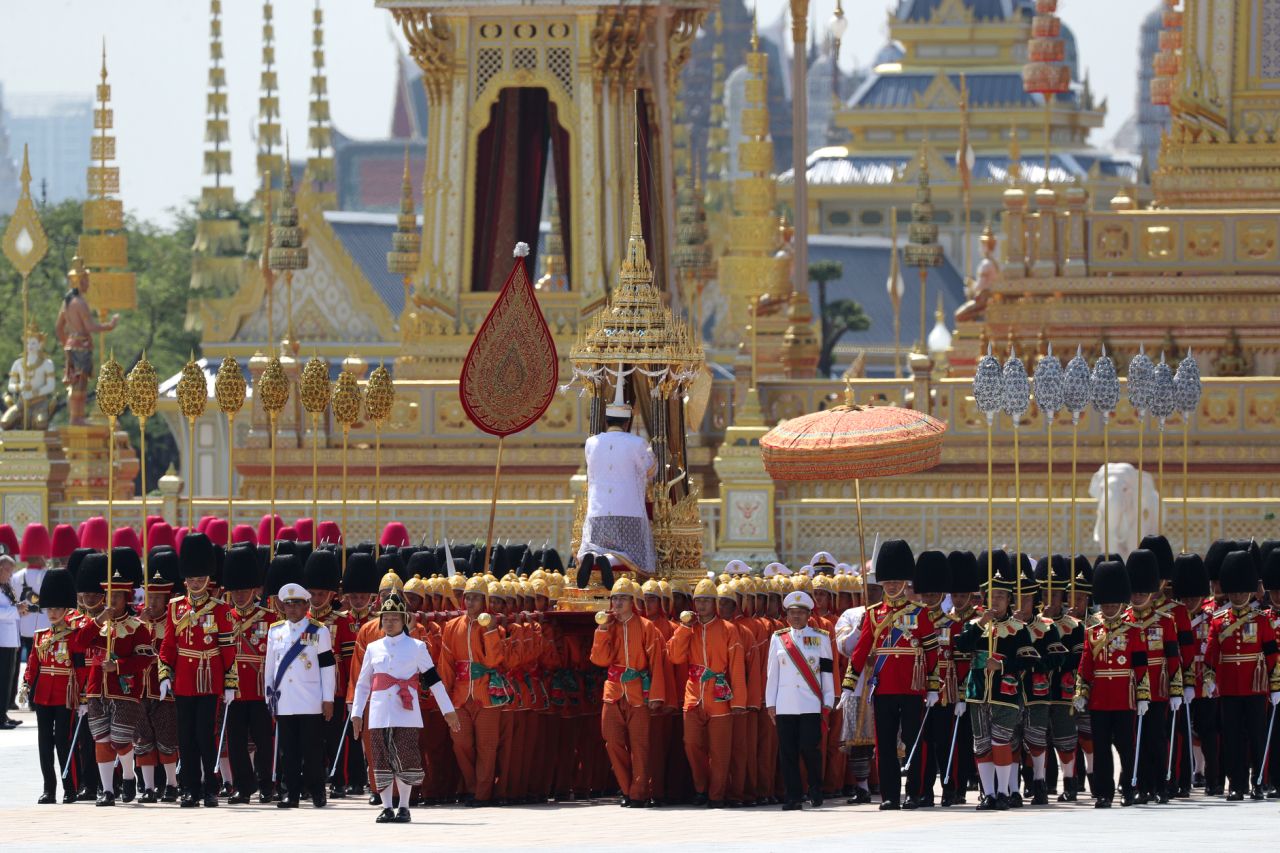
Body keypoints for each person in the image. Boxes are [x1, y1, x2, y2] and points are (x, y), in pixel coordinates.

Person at [846, 539, 940, 810]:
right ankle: (889, 794)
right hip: (884, 687)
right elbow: (861, 651)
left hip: (912, 687)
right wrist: (848, 685)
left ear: (904, 582)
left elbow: (932, 652)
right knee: (884, 745)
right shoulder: (874, 615)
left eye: (895, 581)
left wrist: (933, 687)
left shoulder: (920, 614)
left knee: (914, 743)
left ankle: (914, 792)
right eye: (886, 581)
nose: (890, 586)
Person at [351, 593, 461, 824]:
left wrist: (448, 710)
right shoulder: (373, 647)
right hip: (380, 712)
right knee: (380, 759)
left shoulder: (417, 647)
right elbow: (362, 683)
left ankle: (404, 806)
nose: (389, 622)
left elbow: (433, 680)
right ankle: (386, 806)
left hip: (406, 710)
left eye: (394, 618)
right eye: (386, 618)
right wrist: (357, 713)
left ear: (403, 620)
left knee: (406, 757)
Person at [157, 532, 238, 808]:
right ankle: (189, 788)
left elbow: (228, 648)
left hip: (209, 677)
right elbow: (168, 644)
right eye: (191, 578)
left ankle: (210, 787)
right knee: (185, 736)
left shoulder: (220, 609)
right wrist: (164, 673)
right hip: (183, 679)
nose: (195, 583)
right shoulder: (175, 608)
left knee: (205, 735)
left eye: (199, 578)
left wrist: (230, 681)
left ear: (208, 579)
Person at [953, 551, 1038, 811]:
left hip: (1006, 693)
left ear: (1009, 599)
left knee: (1001, 741)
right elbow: (962, 646)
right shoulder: (975, 625)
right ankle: (988, 793)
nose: (997, 600)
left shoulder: (1019, 628)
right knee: (981, 744)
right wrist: (982, 623)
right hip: (979, 692)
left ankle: (1003, 792)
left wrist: (1002, 665)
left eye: (1001, 596)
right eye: (993, 596)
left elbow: (1029, 660)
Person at [69, 552, 150, 806]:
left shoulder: (137, 627)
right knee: (101, 739)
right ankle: (107, 791)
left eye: (117, 596)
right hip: (96, 690)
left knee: (120, 739)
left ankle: (128, 775)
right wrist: (97, 622)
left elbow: (146, 659)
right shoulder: (97, 624)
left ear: (126, 598)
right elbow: (78, 644)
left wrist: (118, 665)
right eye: (109, 596)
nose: (112, 600)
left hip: (123, 690)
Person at [1203, 549, 1280, 801]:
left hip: (1256, 687)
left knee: (1257, 737)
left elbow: (1271, 655)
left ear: (1249, 591)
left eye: (1241, 591)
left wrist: (1276, 685)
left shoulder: (1260, 620)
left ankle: (1258, 781)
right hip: (1229, 688)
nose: (1237, 596)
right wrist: (1209, 676)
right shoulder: (1219, 621)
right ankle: (1237, 784)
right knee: (1232, 739)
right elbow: (1212, 653)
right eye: (1234, 591)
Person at [666, 577, 747, 808]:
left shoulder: (729, 630)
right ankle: (701, 788)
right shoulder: (689, 628)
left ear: (716, 604)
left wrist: (739, 701)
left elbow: (737, 667)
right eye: (698, 601)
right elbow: (674, 656)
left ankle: (716, 794)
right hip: (693, 695)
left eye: (706, 601)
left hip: (719, 694)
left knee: (720, 750)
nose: (701, 606)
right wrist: (683, 628)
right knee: (691, 744)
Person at [1075, 559, 1150, 808]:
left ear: (1121, 603)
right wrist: (1081, 691)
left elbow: (1141, 667)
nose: (1108, 609)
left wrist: (1143, 695)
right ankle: (1104, 792)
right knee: (1101, 750)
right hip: (1099, 700)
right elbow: (1086, 665)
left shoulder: (1133, 631)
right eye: (1105, 605)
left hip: (1124, 697)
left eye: (1112, 604)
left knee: (1127, 748)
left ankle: (1129, 788)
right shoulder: (1093, 632)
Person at [589, 576, 668, 808]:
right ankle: (627, 788)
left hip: (638, 693)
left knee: (640, 745)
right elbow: (600, 660)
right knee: (612, 741)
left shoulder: (645, 626)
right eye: (615, 598)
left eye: (624, 598)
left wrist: (656, 695)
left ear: (633, 601)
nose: (619, 603)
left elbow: (656, 663)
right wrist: (603, 629)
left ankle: (639, 793)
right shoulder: (607, 625)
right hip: (613, 692)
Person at [576, 373, 657, 588]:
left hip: (598, 510)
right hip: (627, 510)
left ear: (606, 420)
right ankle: (608, 561)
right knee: (634, 553)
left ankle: (591, 557)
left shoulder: (591, 443)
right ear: (628, 421)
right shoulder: (637, 443)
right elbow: (651, 470)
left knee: (596, 544)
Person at [436, 574, 508, 806]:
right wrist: (444, 698)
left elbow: (494, 660)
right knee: (461, 743)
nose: (471, 603)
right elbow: (445, 664)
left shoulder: (494, 626)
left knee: (487, 746)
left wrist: (490, 631)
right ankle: (472, 786)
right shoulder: (451, 626)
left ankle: (482, 794)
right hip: (459, 695)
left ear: (485, 600)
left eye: (477, 598)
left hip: (486, 694)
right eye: (469, 598)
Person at [266, 582, 335, 809]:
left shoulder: (319, 630)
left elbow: (327, 666)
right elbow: (269, 667)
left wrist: (328, 699)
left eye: (297, 604)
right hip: (284, 699)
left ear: (306, 604)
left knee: (312, 750)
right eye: (288, 604)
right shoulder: (275, 631)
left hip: (310, 699)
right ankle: (290, 793)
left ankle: (317, 791)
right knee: (288, 752)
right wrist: (269, 696)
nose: (293, 608)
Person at [765, 589, 834, 811]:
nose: (796, 617)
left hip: (810, 703)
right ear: (786, 615)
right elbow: (772, 673)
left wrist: (828, 701)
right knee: (787, 752)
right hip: (785, 703)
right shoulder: (778, 639)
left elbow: (826, 673)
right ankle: (793, 796)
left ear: (808, 615)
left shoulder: (821, 637)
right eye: (792, 613)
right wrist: (771, 703)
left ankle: (815, 787)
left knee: (809, 748)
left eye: (801, 613)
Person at [1124, 548, 1183, 804]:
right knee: (1132, 741)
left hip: (1158, 689)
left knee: (1156, 740)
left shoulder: (1165, 621)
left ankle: (1160, 785)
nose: (1137, 597)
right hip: (1128, 689)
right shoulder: (1122, 620)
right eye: (1134, 592)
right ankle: (1138, 786)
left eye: (1141, 592)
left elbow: (1173, 658)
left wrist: (1177, 689)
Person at [220, 543, 275, 804]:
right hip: (234, 689)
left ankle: (266, 784)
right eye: (235, 590)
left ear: (255, 590)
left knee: (264, 741)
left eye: (244, 590)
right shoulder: (222, 617)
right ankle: (243, 785)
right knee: (236, 742)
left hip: (260, 687)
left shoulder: (270, 617)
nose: (239, 596)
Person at [20, 567, 78, 802]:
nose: (52, 613)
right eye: (50, 608)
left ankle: (70, 788)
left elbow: (79, 667)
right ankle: (49, 789)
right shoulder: (40, 636)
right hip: (43, 694)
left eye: (57, 608)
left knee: (63, 742)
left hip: (65, 694)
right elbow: (33, 664)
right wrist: (25, 684)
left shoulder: (74, 635)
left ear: (66, 609)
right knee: (44, 744)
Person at [133, 550, 181, 803]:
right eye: (149, 596)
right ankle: (149, 787)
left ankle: (172, 784)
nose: (152, 602)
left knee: (166, 737)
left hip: (164, 687)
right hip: (140, 688)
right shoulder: (138, 621)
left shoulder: (172, 621)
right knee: (143, 738)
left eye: (157, 597)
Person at [54, 255, 119, 426]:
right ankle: (77, 417)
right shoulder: (79, 303)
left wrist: (66, 344)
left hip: (72, 345)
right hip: (81, 346)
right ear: (80, 282)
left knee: (76, 383)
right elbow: (90, 327)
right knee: (80, 383)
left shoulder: (67, 303)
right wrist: (109, 326)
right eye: (86, 280)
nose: (88, 283)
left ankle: (76, 416)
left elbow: (59, 328)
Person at [1, 325, 57, 430]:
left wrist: (34, 393)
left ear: (40, 344)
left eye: (33, 343)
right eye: (27, 343)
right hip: (22, 403)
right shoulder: (18, 363)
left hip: (39, 403)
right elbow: (10, 386)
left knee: (41, 425)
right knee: (5, 423)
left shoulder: (47, 363)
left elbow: (50, 386)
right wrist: (20, 386)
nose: (30, 346)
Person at [0, 553, 20, 729]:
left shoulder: (5, 588)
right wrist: (16, 610)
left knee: (8, 680)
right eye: (8, 570)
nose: (10, 575)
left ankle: (3, 713)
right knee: (2, 679)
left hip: (10, 639)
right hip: (1, 641)